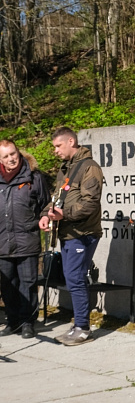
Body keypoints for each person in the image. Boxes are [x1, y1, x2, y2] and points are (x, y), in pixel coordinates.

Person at [39, 127, 103, 346]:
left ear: (71, 141)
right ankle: (78, 326)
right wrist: (47, 214)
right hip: (67, 233)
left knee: (75, 278)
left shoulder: (89, 167)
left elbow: (90, 203)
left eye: (58, 146)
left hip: (83, 233)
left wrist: (64, 214)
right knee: (71, 277)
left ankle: (83, 328)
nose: (55, 151)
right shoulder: (66, 168)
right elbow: (57, 198)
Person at [0, 140, 50, 339]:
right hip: (2, 243)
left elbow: (46, 204)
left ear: (18, 152)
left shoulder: (34, 177)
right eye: (6, 156)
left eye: (13, 153)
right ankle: (13, 322)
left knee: (28, 283)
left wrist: (46, 215)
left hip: (27, 240)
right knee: (7, 285)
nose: (11, 158)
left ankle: (28, 322)